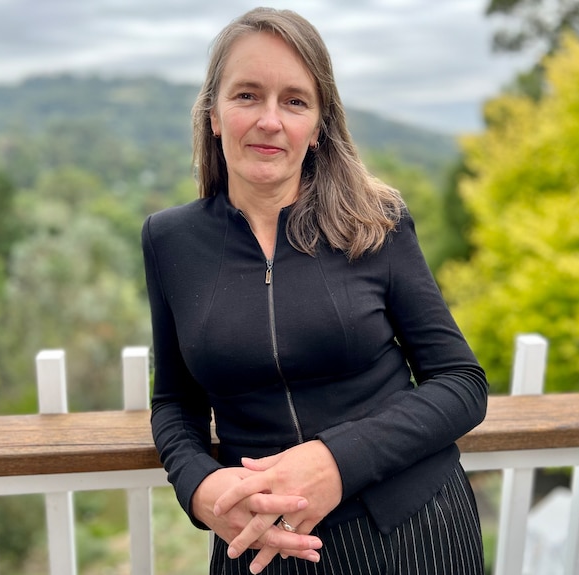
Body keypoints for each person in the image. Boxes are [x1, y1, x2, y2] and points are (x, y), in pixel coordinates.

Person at [141, 7, 488, 574]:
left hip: (415, 531)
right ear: (213, 115)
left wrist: (335, 462)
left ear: (319, 123)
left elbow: (462, 384)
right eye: (247, 95)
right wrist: (200, 490)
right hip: (258, 549)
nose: (270, 121)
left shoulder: (377, 222)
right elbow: (175, 403)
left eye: (295, 101)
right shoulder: (169, 241)